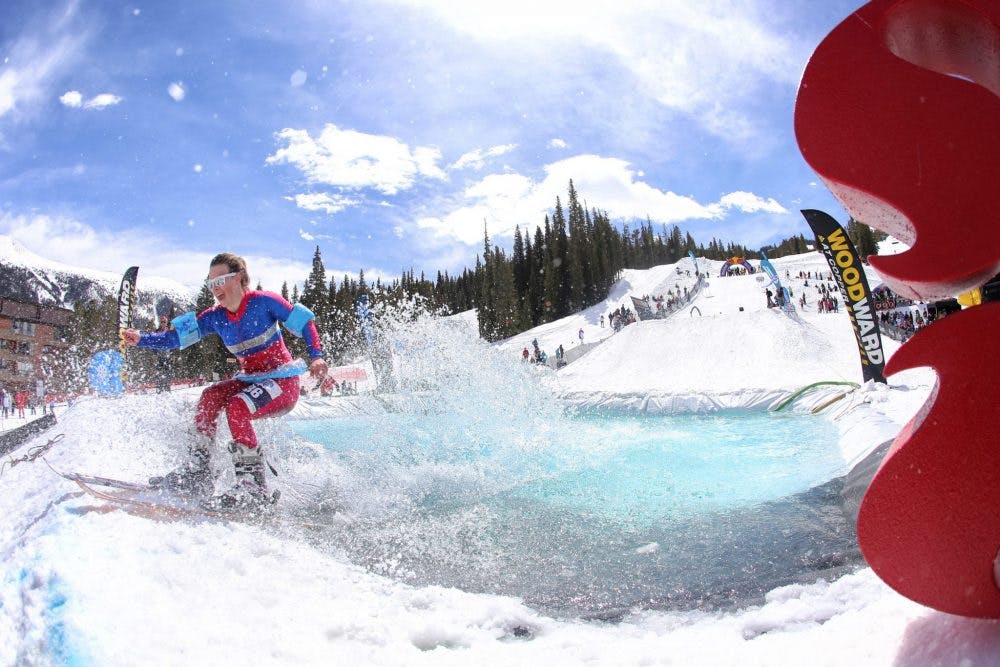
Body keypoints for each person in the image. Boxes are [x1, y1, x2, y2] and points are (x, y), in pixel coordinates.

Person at [123, 252, 328, 510]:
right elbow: (175, 338)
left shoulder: (264, 302)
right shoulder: (214, 317)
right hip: (251, 381)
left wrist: (317, 357)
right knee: (210, 397)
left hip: (283, 384)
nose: (215, 288)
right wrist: (141, 339)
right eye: (210, 283)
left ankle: (254, 488)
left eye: (221, 280)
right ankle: (198, 472)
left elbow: (305, 320)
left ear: (240, 278)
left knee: (237, 407)